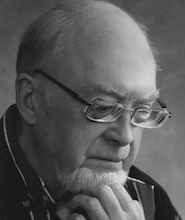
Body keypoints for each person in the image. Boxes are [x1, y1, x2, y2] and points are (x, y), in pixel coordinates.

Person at [0, 0, 182, 219]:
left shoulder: (149, 199)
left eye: (141, 111)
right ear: (30, 100)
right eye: (103, 108)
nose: (125, 137)